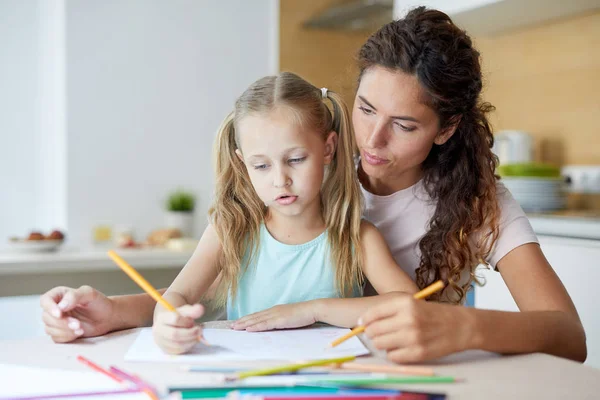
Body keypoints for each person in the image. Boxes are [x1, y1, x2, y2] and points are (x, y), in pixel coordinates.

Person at [40, 7, 586, 362]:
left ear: (446, 129)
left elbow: (568, 335)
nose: (370, 140)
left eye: (405, 125)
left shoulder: (477, 203)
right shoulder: (309, 165)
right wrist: (112, 313)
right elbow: (203, 296)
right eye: (365, 108)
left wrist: (464, 327)